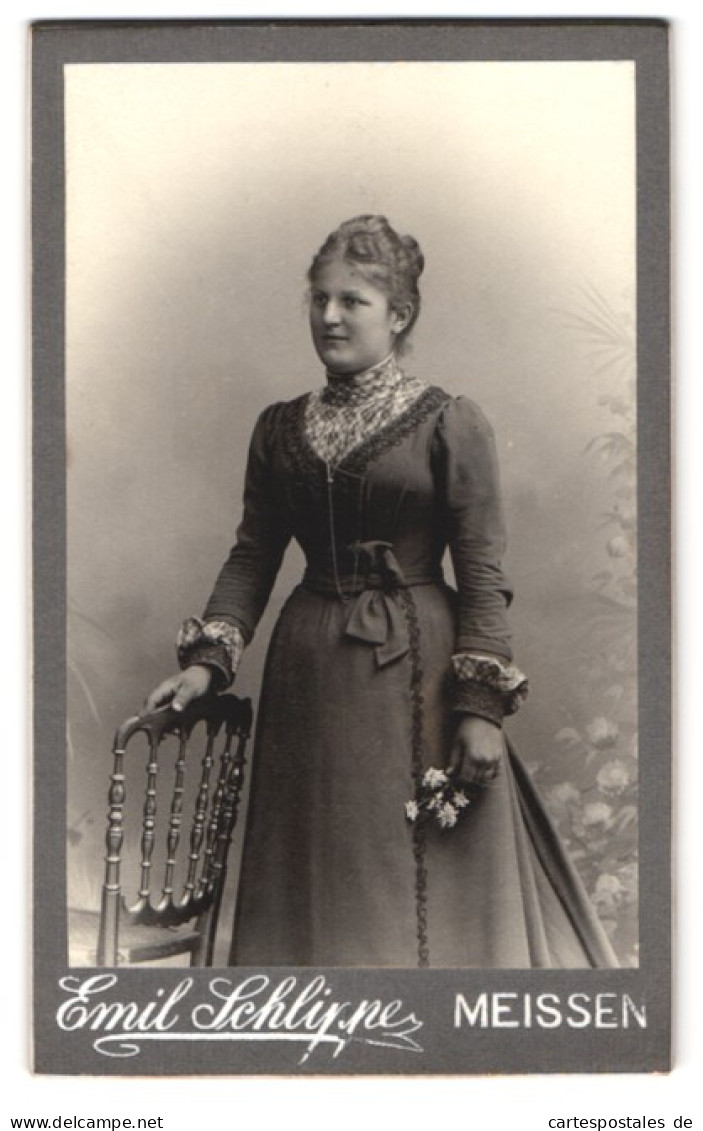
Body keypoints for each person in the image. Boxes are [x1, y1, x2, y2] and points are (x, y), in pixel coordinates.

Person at [145, 214, 618, 969]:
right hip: (307, 669)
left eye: (352, 301)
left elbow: (483, 574)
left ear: (398, 315)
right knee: (315, 862)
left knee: (408, 869)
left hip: (415, 667)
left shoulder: (449, 422)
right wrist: (208, 662)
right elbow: (252, 555)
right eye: (318, 298)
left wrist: (480, 710)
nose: (329, 316)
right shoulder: (278, 428)